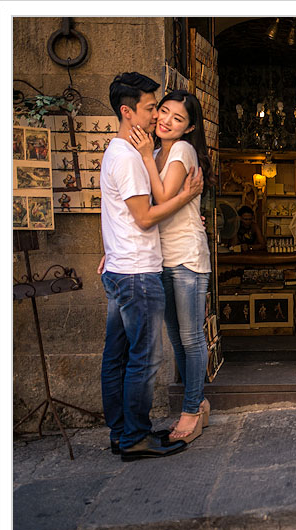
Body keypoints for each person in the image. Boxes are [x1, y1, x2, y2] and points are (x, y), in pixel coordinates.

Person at [99, 72, 203, 461]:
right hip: (138, 272)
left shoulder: (121, 153)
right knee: (143, 358)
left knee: (119, 355)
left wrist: (110, 250)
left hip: (128, 267)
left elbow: (118, 213)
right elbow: (144, 218)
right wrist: (188, 196)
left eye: (166, 112)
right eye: (151, 108)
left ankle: (122, 432)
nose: (156, 116)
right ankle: (135, 437)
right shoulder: (130, 157)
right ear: (128, 112)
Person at [128, 89, 215, 444]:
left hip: (186, 256)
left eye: (177, 118)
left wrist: (148, 156)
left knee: (192, 337)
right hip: (161, 256)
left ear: (189, 126)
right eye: (163, 112)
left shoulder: (181, 150)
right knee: (178, 338)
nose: (166, 120)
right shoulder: (161, 150)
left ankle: (191, 410)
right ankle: (198, 403)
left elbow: (164, 198)